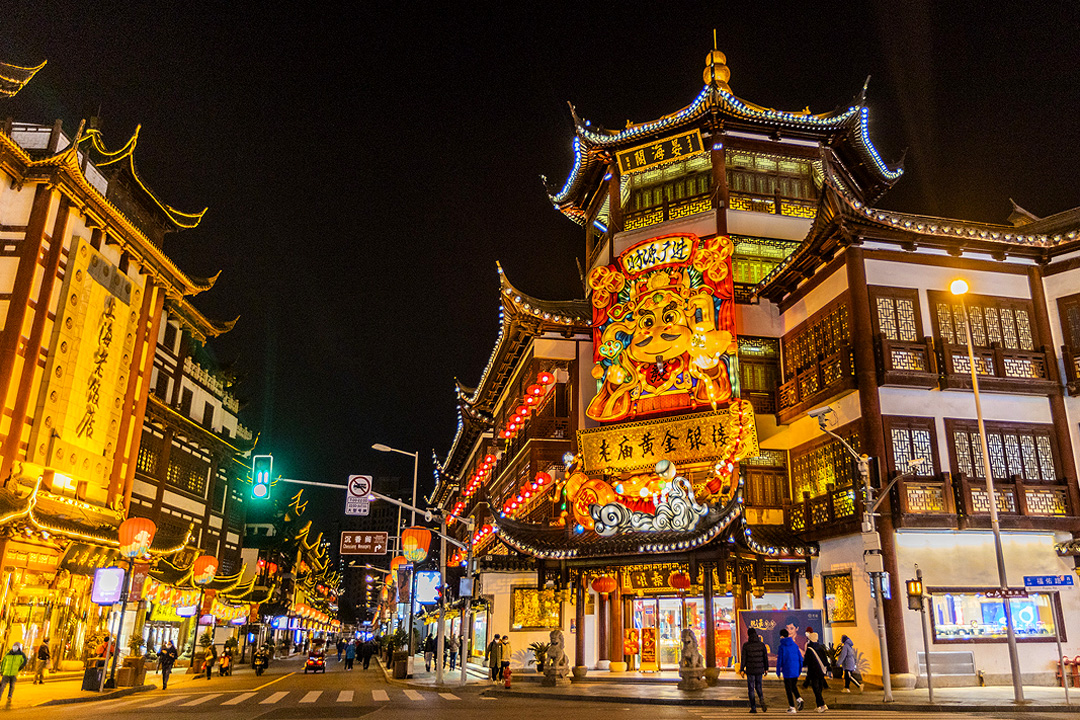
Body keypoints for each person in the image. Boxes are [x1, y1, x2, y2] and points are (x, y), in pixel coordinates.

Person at [739, 627, 768, 714]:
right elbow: (765, 658)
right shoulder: (762, 645)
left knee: (751, 689)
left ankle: (753, 708)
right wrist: (766, 669)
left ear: (748, 635)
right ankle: (761, 698)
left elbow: (743, 658)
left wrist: (742, 669)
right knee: (758, 686)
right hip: (759, 669)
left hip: (750, 670)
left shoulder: (746, 645)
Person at [776, 628, 803, 714]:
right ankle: (799, 699)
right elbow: (800, 658)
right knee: (793, 686)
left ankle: (792, 707)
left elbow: (780, 660)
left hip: (787, 670)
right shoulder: (795, 645)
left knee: (788, 689)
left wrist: (778, 671)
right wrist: (799, 669)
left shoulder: (782, 647)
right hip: (795, 670)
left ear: (781, 636)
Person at [803, 628, 829, 712]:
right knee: (819, 689)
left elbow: (806, 662)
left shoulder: (809, 649)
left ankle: (822, 705)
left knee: (816, 689)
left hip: (813, 672)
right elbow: (825, 660)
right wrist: (829, 669)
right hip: (821, 672)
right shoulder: (821, 648)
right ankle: (819, 706)